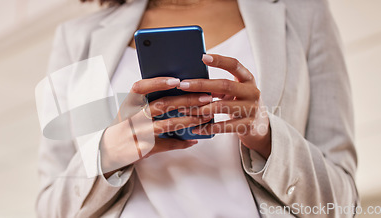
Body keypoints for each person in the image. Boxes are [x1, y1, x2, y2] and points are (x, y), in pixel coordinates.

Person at [36, 0, 359, 217]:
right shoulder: (76, 39)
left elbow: (343, 204)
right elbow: (50, 207)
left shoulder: (303, 14)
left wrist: (268, 137)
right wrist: (107, 153)